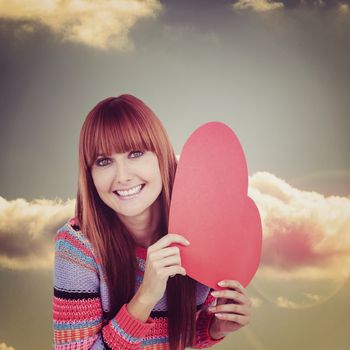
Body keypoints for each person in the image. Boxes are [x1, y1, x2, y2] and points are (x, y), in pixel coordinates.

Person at [53, 94, 252, 350]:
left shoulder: (200, 231)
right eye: (104, 161)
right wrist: (145, 297)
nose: (123, 176)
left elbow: (180, 335)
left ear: (162, 157)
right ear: (90, 174)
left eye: (135, 153)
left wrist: (215, 327)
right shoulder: (77, 247)